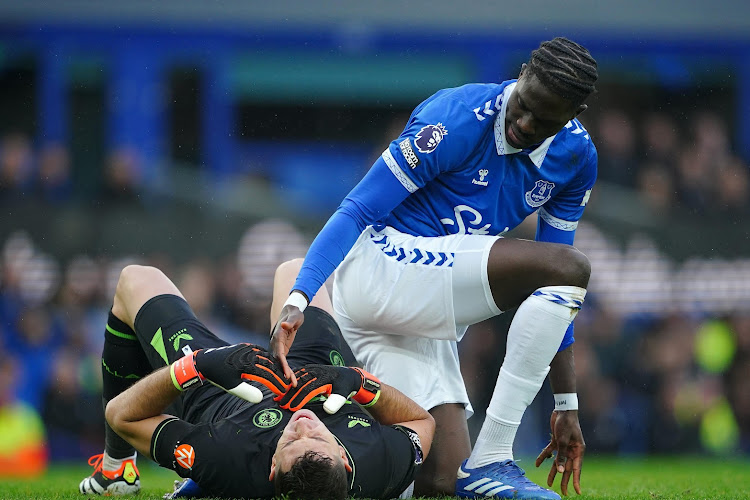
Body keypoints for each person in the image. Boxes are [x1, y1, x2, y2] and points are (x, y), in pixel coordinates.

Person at [270, 37, 598, 499]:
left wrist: (566, 404)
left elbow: (557, 298)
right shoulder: (455, 118)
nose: (525, 123)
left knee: (440, 478)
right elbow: (357, 208)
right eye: (523, 105)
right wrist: (299, 297)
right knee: (569, 266)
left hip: (422, 309)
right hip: (378, 271)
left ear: (574, 113)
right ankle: (496, 455)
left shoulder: (576, 159)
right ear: (521, 73)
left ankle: (232, 469)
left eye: (544, 121)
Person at [79, 259, 434, 499]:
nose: (302, 425)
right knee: (296, 269)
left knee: (134, 279)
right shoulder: (381, 462)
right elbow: (422, 421)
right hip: (317, 372)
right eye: (316, 439)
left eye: (290, 442)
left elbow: (120, 415)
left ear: (272, 468)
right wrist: (358, 383)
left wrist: (198, 366)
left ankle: (116, 470)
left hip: (215, 392)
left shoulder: (227, 459)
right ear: (343, 456)